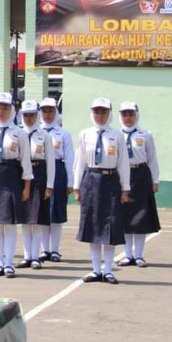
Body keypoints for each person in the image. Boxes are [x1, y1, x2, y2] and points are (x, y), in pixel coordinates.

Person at [73, 97, 131, 284]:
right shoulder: (85, 134)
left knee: (110, 226)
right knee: (93, 226)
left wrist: (125, 188)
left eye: (104, 112)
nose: (100, 115)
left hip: (111, 181)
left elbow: (123, 163)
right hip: (91, 179)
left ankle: (108, 270)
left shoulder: (117, 135)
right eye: (97, 112)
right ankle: (96, 269)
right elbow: (79, 161)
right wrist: (77, 186)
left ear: (110, 114)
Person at [0, 92, 33, 278]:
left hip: (12, 176)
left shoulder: (19, 133)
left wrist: (26, 187)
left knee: (10, 224)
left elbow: (26, 161)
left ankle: (9, 264)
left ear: (12, 110)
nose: (1, 111)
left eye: (5, 108)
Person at [118, 102, 161, 268]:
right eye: (125, 115)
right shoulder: (116, 134)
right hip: (123, 175)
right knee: (126, 216)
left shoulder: (145, 134)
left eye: (131, 114)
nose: (128, 118)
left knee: (141, 216)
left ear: (136, 115)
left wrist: (155, 181)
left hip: (141, 175)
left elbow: (152, 159)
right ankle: (128, 255)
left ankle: (139, 255)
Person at [18, 100, 55, 270]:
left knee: (38, 219)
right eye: (26, 115)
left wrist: (49, 185)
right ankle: (26, 256)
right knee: (25, 219)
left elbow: (51, 162)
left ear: (37, 115)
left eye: (32, 114)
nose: (29, 118)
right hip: (21, 176)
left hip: (39, 174)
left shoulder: (44, 136)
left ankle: (36, 256)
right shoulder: (17, 133)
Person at [39, 97, 74, 262]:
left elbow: (69, 157)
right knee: (41, 211)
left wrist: (70, 181)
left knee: (56, 212)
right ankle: (43, 249)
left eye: (50, 111)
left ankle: (55, 250)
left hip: (59, 171)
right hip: (40, 170)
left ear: (56, 112)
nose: (47, 114)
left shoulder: (63, 133)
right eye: (44, 111)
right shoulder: (36, 131)